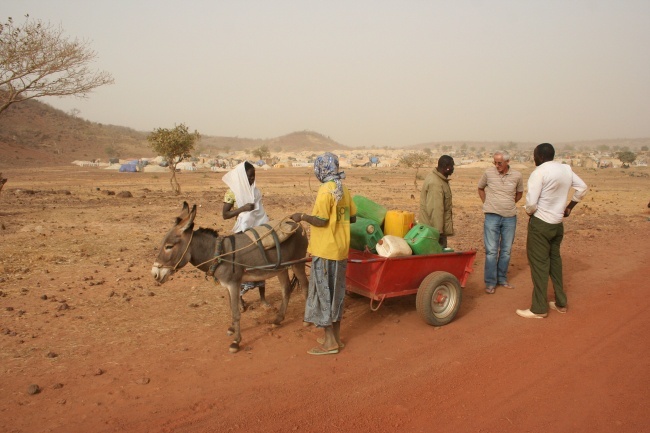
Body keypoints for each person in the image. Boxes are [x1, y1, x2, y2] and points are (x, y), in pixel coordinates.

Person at [290, 153, 356, 355]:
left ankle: (330, 343)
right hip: (340, 250)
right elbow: (352, 218)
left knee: (323, 295)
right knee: (336, 295)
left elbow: (321, 220)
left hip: (325, 250)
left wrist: (301, 216)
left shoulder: (325, 190)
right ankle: (335, 337)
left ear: (320, 169)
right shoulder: (343, 189)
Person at [516, 143, 588, 319]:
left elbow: (531, 203)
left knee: (539, 265)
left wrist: (528, 211)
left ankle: (539, 308)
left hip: (540, 224)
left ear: (540, 156)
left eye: (534, 155)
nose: (533, 159)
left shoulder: (539, 172)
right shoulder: (565, 169)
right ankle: (560, 302)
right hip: (557, 224)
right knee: (555, 262)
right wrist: (570, 207)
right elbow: (582, 188)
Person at [222, 161, 270, 306]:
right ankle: (240, 298)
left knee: (262, 261)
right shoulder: (232, 192)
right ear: (242, 177)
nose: (252, 179)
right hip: (243, 232)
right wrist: (242, 209)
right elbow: (225, 214)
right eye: (249, 177)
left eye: (253, 176)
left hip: (258, 227)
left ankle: (262, 298)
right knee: (243, 267)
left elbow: (259, 211)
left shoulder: (255, 191)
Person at [478, 151, 524, 294]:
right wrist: (487, 203)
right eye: (495, 162)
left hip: (510, 217)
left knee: (506, 251)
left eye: (499, 163)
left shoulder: (517, 175)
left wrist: (509, 204)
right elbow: (480, 188)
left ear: (507, 162)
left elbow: (519, 193)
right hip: (491, 216)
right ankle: (490, 282)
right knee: (491, 251)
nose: (497, 165)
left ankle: (502, 279)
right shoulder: (488, 173)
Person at [418, 155, 455, 248]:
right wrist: (438, 233)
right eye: (452, 166)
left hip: (432, 229)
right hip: (432, 231)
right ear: (446, 167)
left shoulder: (439, 179)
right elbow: (435, 210)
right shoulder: (436, 183)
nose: (453, 169)